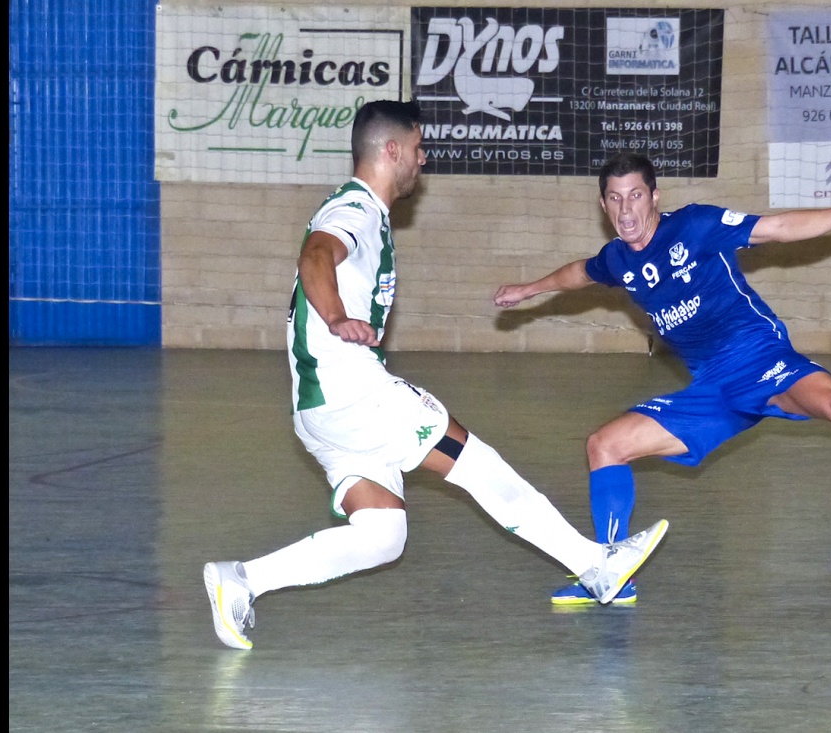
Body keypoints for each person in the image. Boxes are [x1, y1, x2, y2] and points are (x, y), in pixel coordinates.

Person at [202, 103, 669, 649]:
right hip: (354, 395)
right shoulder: (355, 210)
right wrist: (335, 318)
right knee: (476, 464)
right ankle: (594, 564)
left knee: (383, 536)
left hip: (320, 416)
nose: (423, 160)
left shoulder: (363, 212)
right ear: (392, 151)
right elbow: (315, 256)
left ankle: (241, 581)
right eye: (419, 148)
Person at [494, 152, 831, 607]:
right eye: (614, 199)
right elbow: (581, 272)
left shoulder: (694, 225)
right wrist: (529, 288)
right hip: (711, 391)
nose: (626, 209)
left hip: (762, 360)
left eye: (635, 195)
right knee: (603, 445)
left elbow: (779, 228)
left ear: (654, 196)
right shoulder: (618, 261)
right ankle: (609, 571)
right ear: (604, 206)